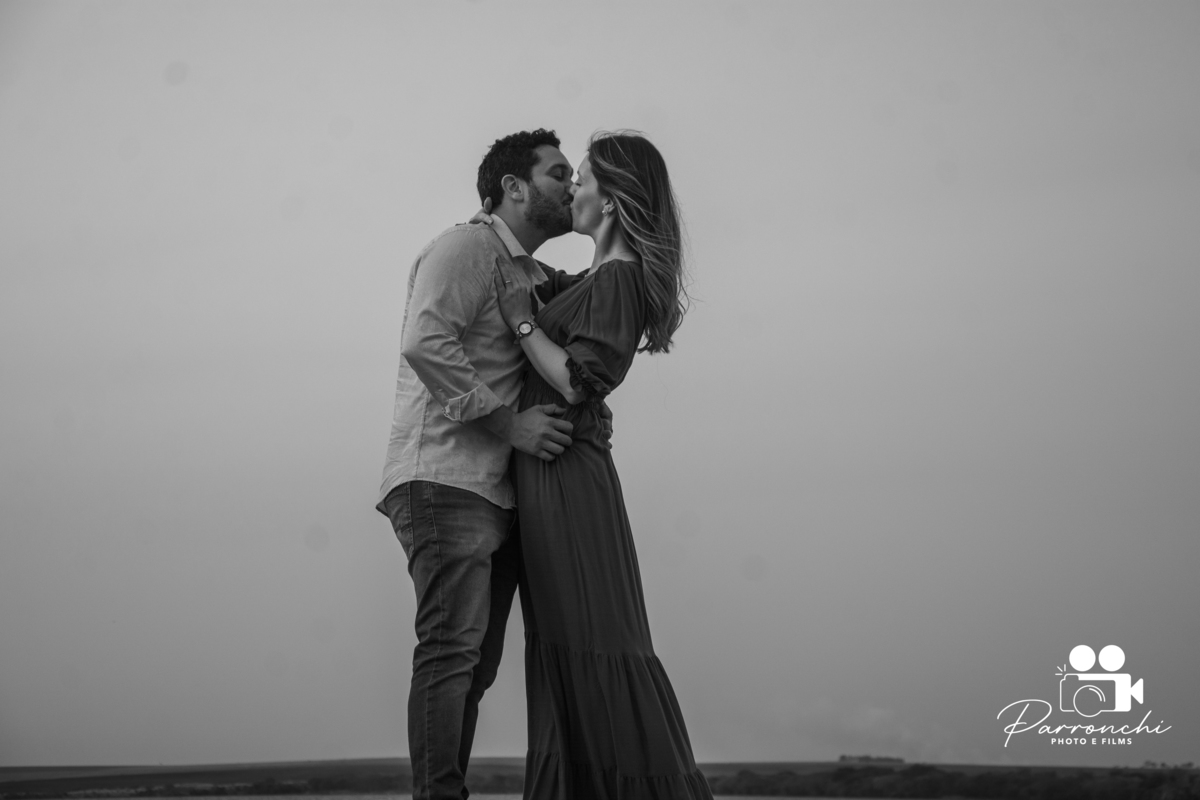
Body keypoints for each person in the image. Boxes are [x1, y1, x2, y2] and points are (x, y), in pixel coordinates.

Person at [491, 131, 713, 799]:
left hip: (567, 480)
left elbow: (577, 381)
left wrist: (523, 325)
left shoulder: (618, 279)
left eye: (582, 180)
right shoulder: (594, 280)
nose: (572, 192)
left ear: (611, 201)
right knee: (568, 639)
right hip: (550, 474)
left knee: (592, 635)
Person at [376, 129, 589, 800]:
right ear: (513, 188)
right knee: (452, 651)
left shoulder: (531, 276)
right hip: (444, 479)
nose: (571, 187)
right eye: (559, 174)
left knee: (475, 665)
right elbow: (425, 342)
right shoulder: (467, 247)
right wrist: (510, 425)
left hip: (495, 492)